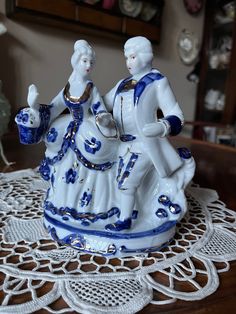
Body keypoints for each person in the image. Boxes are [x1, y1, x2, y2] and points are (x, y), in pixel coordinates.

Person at [15, 40, 119, 221]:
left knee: (97, 151)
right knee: (55, 144)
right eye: (84, 61)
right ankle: (61, 200)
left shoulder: (90, 88)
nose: (88, 66)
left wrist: (103, 118)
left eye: (91, 63)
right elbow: (54, 109)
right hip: (67, 127)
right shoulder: (68, 87)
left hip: (86, 126)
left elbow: (99, 108)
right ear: (75, 61)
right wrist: (35, 105)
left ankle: (89, 204)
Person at [104, 36, 193, 231]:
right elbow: (104, 103)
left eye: (133, 57)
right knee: (116, 180)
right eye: (126, 58)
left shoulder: (157, 81)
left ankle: (124, 221)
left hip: (143, 144)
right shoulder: (122, 84)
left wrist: (162, 126)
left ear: (145, 56)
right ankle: (132, 210)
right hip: (121, 143)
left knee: (126, 183)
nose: (128, 62)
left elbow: (176, 114)